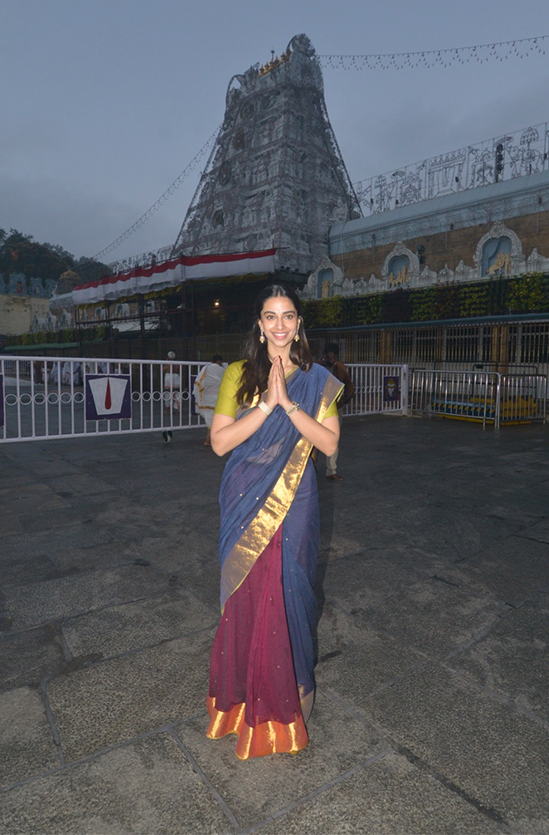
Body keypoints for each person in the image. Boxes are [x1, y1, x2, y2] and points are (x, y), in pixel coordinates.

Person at [206, 283, 343, 760]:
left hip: (296, 498)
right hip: (243, 494)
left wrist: (288, 404)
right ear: (260, 325)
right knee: (248, 594)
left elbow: (327, 445)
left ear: (299, 324)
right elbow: (221, 443)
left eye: (288, 316)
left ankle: (292, 692)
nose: (280, 324)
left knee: (293, 592)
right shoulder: (238, 374)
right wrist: (265, 402)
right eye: (271, 316)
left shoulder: (318, 377)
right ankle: (244, 698)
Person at [319, 343, 355, 481]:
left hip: (335, 407)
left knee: (334, 439)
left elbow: (348, 383)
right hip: (317, 407)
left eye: (334, 357)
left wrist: (347, 397)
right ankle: (310, 465)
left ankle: (331, 470)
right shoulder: (317, 366)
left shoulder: (340, 367)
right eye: (330, 357)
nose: (332, 359)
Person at [193, 354, 226, 446]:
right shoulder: (223, 370)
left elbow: (198, 382)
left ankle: (209, 439)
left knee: (210, 418)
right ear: (220, 361)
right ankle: (210, 440)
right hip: (218, 398)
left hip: (206, 398)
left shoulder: (206, 369)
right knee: (217, 419)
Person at [162, 351, 180, 443]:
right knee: (169, 393)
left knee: (174, 393)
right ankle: (171, 408)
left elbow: (175, 369)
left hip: (173, 377)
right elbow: (164, 369)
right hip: (170, 377)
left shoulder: (175, 364)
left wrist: (169, 364)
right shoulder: (169, 363)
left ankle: (176, 408)